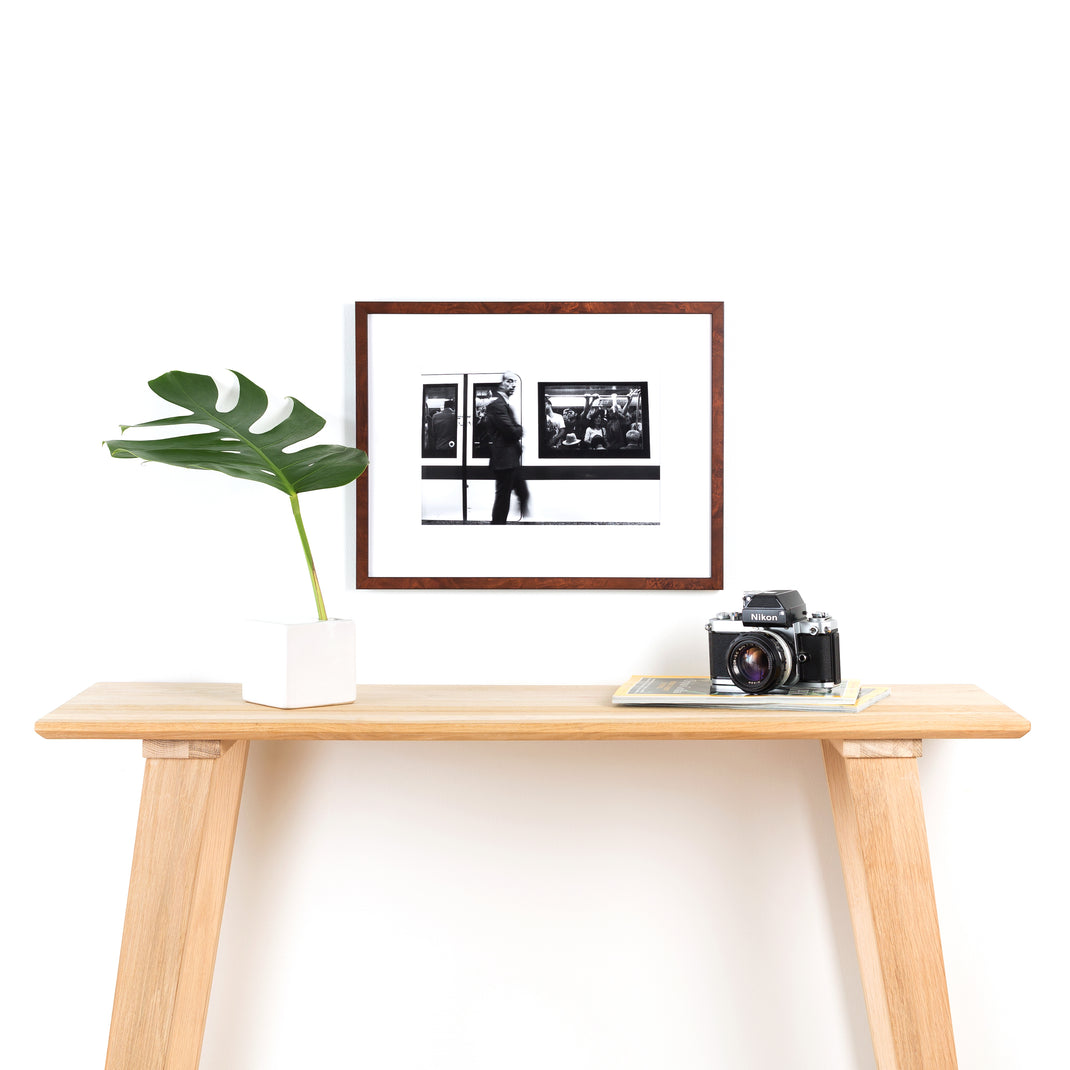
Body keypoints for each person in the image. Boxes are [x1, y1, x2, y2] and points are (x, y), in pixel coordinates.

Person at [485, 371, 529, 523]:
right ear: (501, 383)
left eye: (514, 382)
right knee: (503, 499)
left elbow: (513, 429)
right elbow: (512, 431)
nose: (513, 385)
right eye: (509, 381)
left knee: (522, 493)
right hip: (504, 461)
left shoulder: (502, 404)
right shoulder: (497, 405)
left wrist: (517, 429)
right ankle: (497, 525)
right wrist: (519, 429)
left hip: (510, 459)